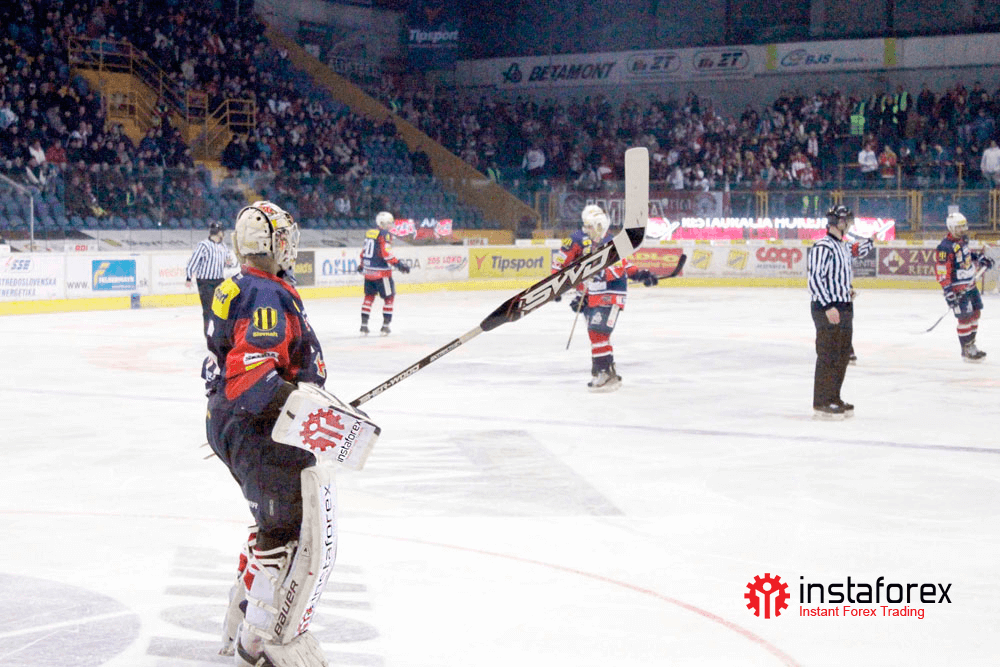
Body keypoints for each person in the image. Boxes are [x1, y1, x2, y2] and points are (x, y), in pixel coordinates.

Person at [203, 201, 339, 666]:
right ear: (269, 243)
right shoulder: (264, 293)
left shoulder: (248, 284)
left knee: (271, 524)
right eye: (283, 238)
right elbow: (252, 375)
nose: (290, 246)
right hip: (259, 425)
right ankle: (254, 643)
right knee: (283, 532)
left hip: (239, 420)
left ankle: (238, 618)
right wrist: (304, 406)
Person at [555, 204, 658, 392]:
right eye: (586, 225)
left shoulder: (612, 242)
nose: (586, 229)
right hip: (591, 295)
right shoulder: (578, 240)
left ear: (600, 225)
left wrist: (641, 274)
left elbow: (624, 266)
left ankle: (604, 372)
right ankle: (605, 371)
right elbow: (562, 265)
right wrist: (566, 290)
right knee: (596, 335)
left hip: (611, 293)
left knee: (598, 332)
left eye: (590, 226)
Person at [807, 205, 860, 419]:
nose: (849, 224)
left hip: (844, 305)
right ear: (837, 222)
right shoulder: (823, 246)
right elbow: (815, 279)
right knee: (828, 354)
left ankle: (834, 397)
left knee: (842, 354)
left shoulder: (843, 246)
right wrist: (828, 306)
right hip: (827, 307)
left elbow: (836, 277)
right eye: (846, 220)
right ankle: (822, 401)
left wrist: (847, 290)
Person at [934, 212, 994, 361]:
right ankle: (966, 350)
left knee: (976, 313)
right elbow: (942, 272)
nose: (962, 230)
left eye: (963, 226)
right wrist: (948, 292)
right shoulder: (945, 247)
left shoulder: (962, 241)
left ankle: (972, 345)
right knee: (964, 318)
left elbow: (967, 256)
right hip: (958, 288)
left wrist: (980, 258)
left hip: (970, 284)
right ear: (951, 228)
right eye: (959, 227)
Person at [357, 211, 410, 335]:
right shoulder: (385, 234)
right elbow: (386, 254)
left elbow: (363, 252)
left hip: (368, 273)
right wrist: (399, 264)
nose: (390, 225)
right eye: (389, 223)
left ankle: (363, 327)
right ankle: (385, 327)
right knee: (389, 298)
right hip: (382, 274)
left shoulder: (370, 233)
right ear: (383, 223)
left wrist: (362, 265)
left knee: (368, 297)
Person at [186, 223, 232, 339]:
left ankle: (219, 333)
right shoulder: (204, 245)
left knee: (220, 308)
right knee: (208, 309)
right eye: (222, 231)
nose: (224, 234)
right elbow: (194, 261)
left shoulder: (223, 246)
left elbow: (228, 261)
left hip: (219, 280)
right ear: (218, 232)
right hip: (205, 281)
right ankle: (208, 335)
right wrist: (188, 277)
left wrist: (228, 262)